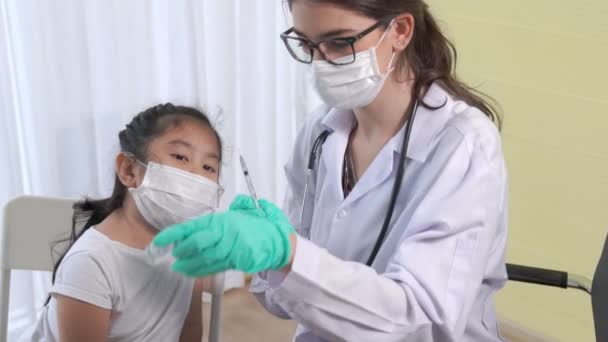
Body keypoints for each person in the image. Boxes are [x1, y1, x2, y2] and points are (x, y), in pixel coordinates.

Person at [154, 0, 508, 341]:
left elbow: (422, 324)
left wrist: (289, 254)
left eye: (339, 42)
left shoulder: (462, 145)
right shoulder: (319, 133)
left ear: (400, 30)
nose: (321, 61)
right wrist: (268, 257)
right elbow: (279, 302)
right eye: (308, 44)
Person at [26, 103, 223, 342]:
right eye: (181, 157)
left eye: (208, 167)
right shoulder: (91, 263)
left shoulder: (188, 248)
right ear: (129, 169)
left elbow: (189, 327)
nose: (196, 176)